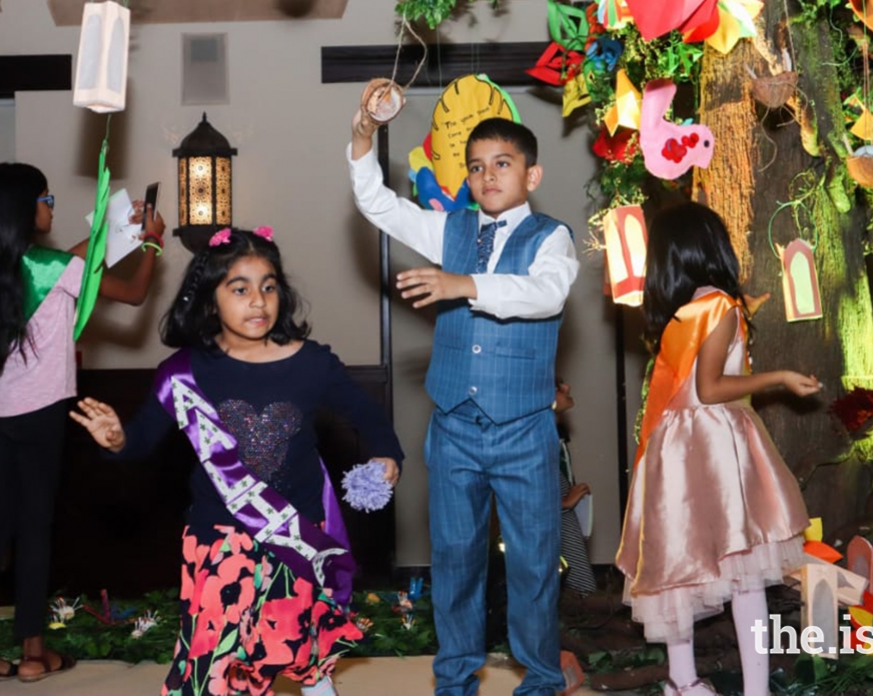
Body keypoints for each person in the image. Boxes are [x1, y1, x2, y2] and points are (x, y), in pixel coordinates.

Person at [70, 226, 403, 696]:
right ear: (209, 301)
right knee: (212, 662)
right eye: (240, 288)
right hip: (217, 540)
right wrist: (117, 438)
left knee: (300, 650)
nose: (258, 301)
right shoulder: (183, 374)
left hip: (296, 537)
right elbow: (140, 441)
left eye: (268, 287)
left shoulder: (312, 364)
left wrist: (387, 454)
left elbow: (370, 417)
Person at [349, 106, 580, 696]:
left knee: (533, 564)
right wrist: (363, 137)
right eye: (476, 167)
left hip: (525, 429)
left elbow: (546, 295)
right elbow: (380, 206)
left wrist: (464, 285)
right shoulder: (451, 228)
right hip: (453, 425)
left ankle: (541, 679)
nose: (488, 177)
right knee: (454, 561)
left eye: (502, 164)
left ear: (531, 175)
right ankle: (454, 681)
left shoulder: (551, 236)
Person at [0, 162, 166, 688]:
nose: (51, 204)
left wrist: (112, 228)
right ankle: (32, 652)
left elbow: (67, 261)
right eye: (45, 197)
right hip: (41, 411)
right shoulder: (53, 268)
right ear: (25, 208)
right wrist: (154, 244)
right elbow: (134, 293)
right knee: (36, 526)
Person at [615, 201, 821, 696]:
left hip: (674, 449)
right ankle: (755, 690)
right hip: (713, 445)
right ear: (711, 248)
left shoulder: (680, 313)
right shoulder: (720, 306)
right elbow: (710, 388)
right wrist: (779, 377)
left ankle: (682, 682)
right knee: (743, 572)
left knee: (681, 567)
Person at [554, 379, 597, 596]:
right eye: (557, 386)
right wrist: (562, 502)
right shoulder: (538, 437)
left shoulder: (555, 434)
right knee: (575, 584)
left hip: (564, 517)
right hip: (554, 517)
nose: (567, 387)